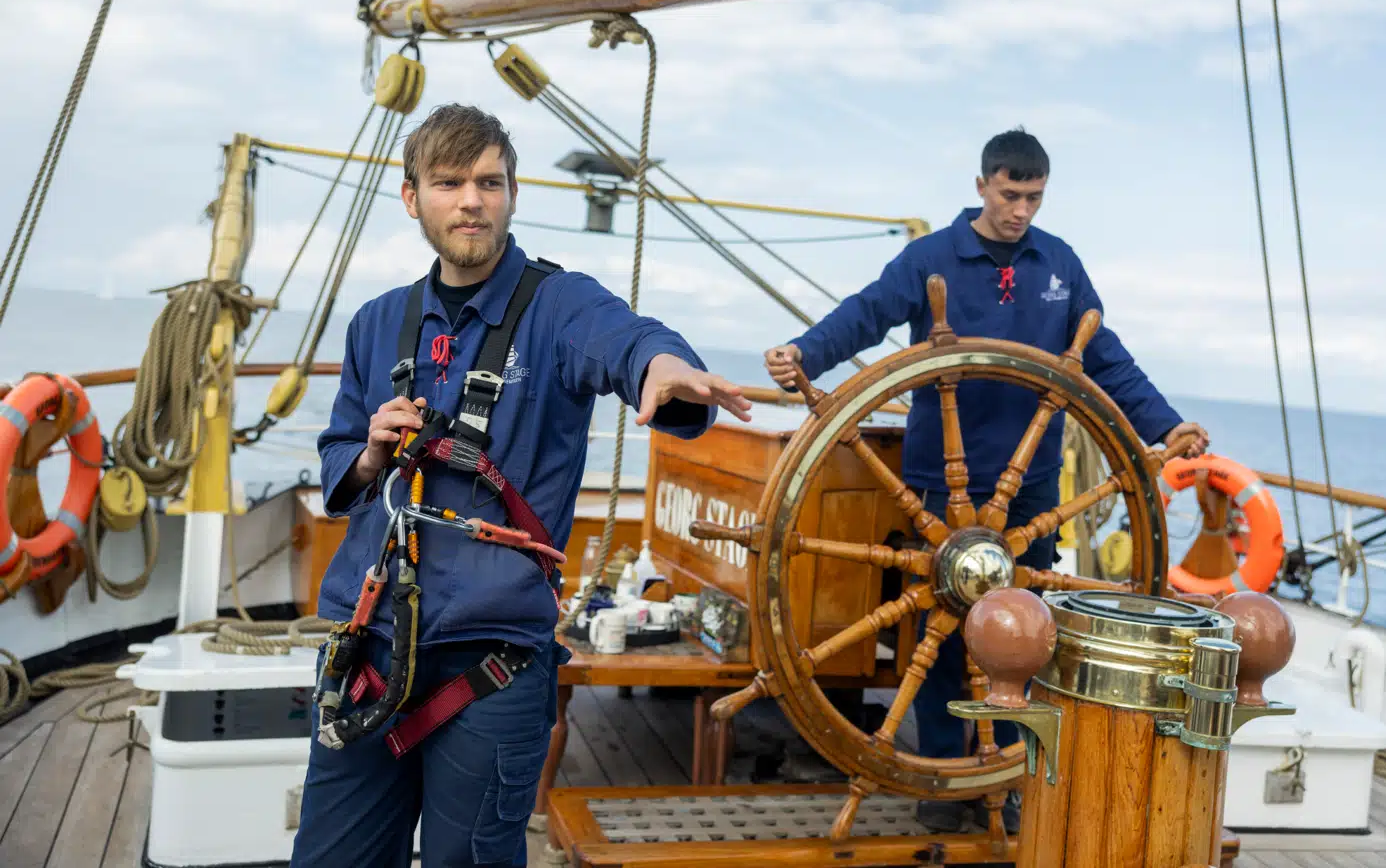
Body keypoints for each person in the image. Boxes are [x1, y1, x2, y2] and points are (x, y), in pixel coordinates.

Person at [292, 104, 751, 867]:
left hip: (489, 667)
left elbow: (630, 340)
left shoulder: (560, 306)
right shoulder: (375, 323)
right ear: (412, 197)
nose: (471, 200)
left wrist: (664, 368)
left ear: (512, 193)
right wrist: (370, 454)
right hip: (366, 649)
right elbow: (339, 454)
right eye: (449, 183)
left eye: (489, 182)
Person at [764, 129, 1207, 834]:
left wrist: (1166, 425)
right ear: (981, 187)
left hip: (1030, 489)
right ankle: (948, 781)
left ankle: (1007, 773)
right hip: (941, 485)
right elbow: (867, 313)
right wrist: (805, 355)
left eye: (1034, 198)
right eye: (1010, 195)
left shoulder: (1058, 264)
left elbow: (1104, 357)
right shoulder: (932, 257)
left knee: (1026, 634)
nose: (1020, 211)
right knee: (945, 634)